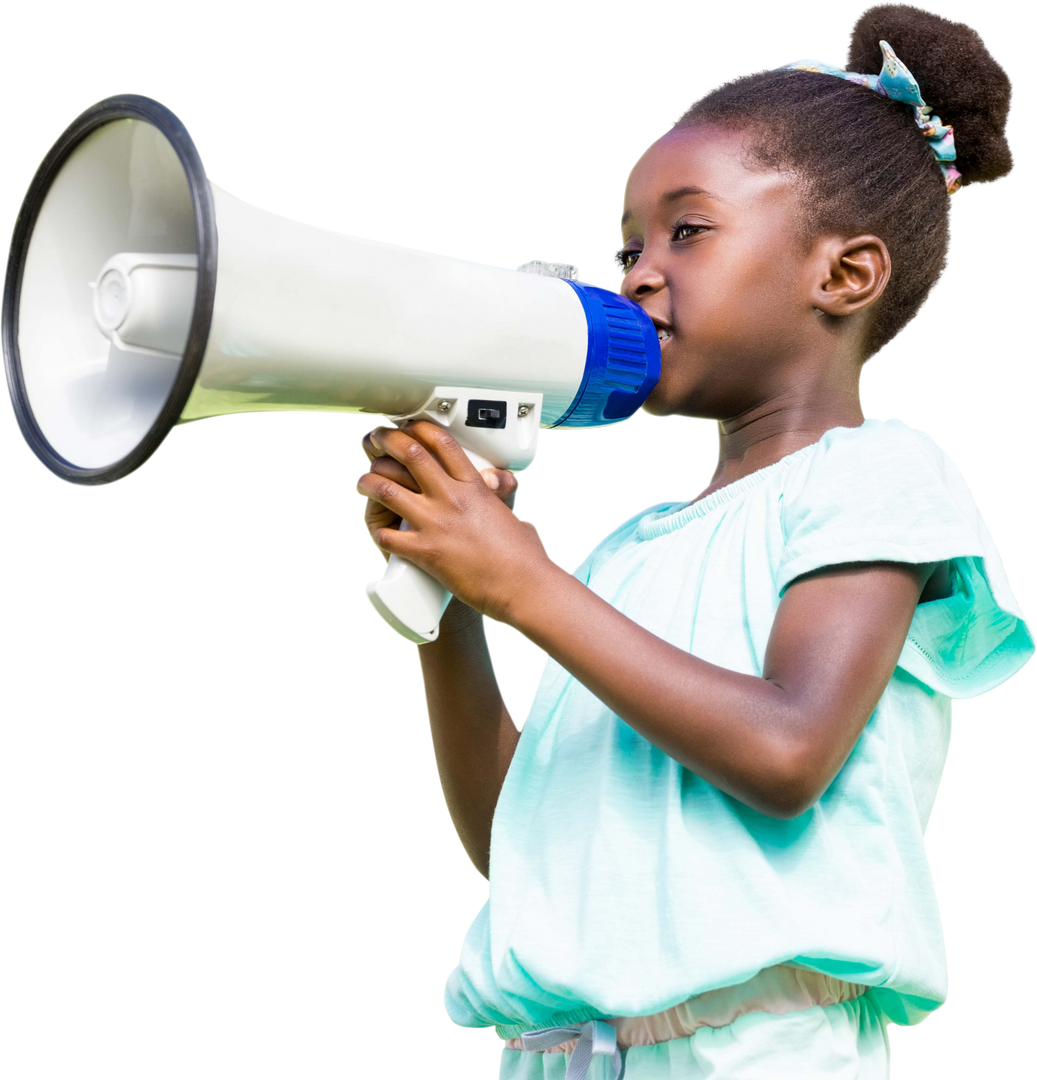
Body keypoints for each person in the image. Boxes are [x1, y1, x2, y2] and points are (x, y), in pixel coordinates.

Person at [355, 4, 1029, 1077]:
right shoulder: (630, 547)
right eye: (628, 242)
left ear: (843, 276)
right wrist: (451, 606)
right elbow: (517, 849)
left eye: (687, 230)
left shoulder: (876, 477)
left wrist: (522, 583)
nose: (634, 274)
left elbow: (784, 750)